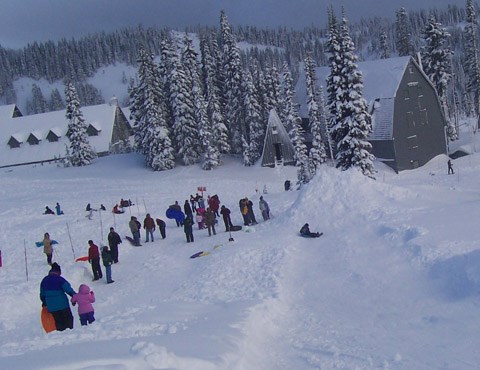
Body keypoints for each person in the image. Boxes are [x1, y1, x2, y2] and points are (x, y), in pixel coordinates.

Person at [40, 262, 76, 331]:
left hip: (52, 307)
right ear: (58, 271)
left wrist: (44, 302)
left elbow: (42, 294)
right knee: (68, 324)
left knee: (59, 324)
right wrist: (74, 296)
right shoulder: (60, 279)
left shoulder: (44, 280)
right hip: (63, 305)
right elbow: (68, 289)